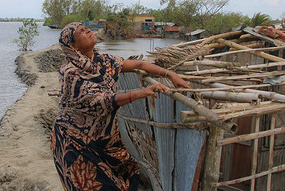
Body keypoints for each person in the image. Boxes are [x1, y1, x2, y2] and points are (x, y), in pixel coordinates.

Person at [50, 22, 190, 191]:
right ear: (73, 46)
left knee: (125, 174)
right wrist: (140, 93)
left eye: (86, 28)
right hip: (73, 141)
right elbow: (101, 100)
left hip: (101, 138)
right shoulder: (70, 72)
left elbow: (139, 65)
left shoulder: (103, 61)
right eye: (81, 31)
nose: (88, 30)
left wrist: (169, 73)